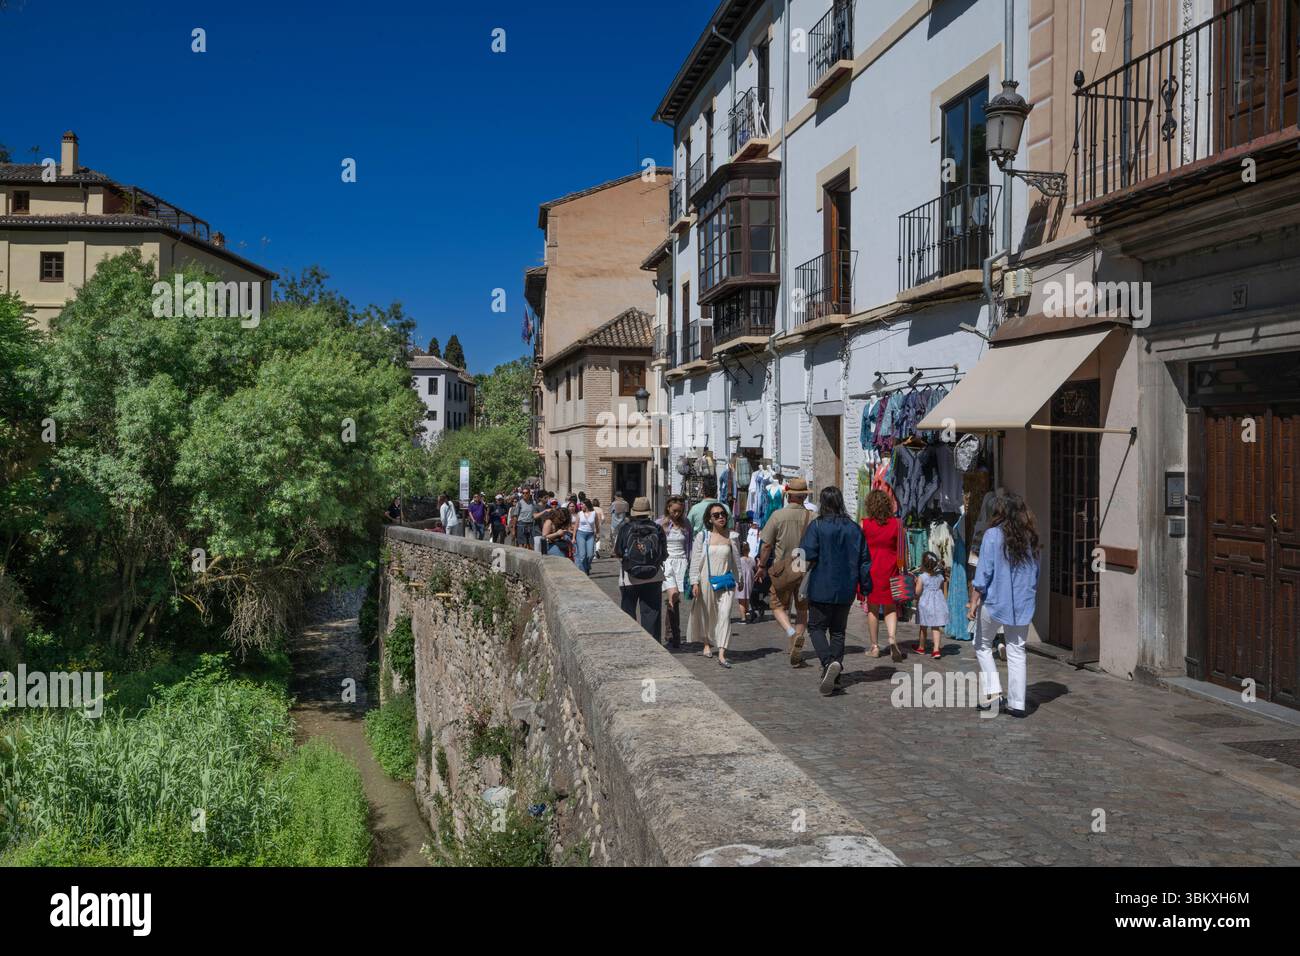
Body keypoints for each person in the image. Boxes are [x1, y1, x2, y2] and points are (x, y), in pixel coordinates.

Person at [969, 492, 1041, 718]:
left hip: (995, 602)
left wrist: (973, 600)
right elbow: (1036, 573)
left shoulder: (992, 536)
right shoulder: (1032, 538)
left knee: (981, 643)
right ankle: (1017, 704)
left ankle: (993, 694)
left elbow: (984, 572)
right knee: (1017, 650)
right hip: (1022, 602)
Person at [799, 486, 872, 695]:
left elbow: (806, 553)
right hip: (846, 587)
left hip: (821, 584)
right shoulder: (854, 528)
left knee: (816, 627)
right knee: (838, 631)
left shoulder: (817, 526)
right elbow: (864, 560)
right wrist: (866, 586)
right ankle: (836, 675)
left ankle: (828, 661)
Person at [756, 478, 812, 667]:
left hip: (782, 571)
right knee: (802, 609)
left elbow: (766, 545)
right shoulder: (812, 517)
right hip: (805, 569)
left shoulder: (777, 516)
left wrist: (762, 566)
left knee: (778, 606)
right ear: (805, 496)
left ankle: (791, 634)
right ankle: (798, 640)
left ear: (788, 495)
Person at [687, 502, 742, 668]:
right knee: (708, 613)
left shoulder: (732, 537)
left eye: (723, 514)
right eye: (716, 515)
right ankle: (706, 643)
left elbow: (736, 560)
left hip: (726, 582)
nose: (721, 517)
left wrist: (740, 580)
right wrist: (694, 582)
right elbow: (696, 561)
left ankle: (722, 653)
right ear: (709, 519)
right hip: (706, 580)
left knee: (725, 615)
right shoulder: (703, 537)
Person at [861, 489, 905, 662]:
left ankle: (874, 646)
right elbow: (902, 550)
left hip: (871, 569)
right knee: (890, 607)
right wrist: (903, 569)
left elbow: (860, 549)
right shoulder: (897, 523)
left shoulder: (865, 524)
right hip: (891, 568)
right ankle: (892, 639)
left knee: (872, 607)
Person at [615, 496, 668, 641]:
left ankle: (631, 644)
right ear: (648, 512)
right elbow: (664, 553)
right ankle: (652, 646)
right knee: (651, 615)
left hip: (629, 578)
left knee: (628, 615)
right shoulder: (657, 528)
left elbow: (618, 551)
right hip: (654, 576)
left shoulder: (626, 528)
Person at [659, 496, 693, 648]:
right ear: (668, 509)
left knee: (675, 598)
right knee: (672, 595)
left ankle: (670, 633)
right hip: (666, 562)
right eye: (674, 511)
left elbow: (690, 546)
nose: (677, 514)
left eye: (680, 511)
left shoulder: (686, 524)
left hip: (682, 562)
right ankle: (675, 635)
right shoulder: (660, 523)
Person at [915, 551, 948, 659]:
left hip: (925, 605)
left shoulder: (922, 577)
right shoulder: (940, 577)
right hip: (938, 604)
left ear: (923, 564)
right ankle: (936, 650)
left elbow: (918, 592)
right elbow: (942, 591)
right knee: (935, 627)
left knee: (923, 626)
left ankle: (921, 647)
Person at [574, 499, 600, 574]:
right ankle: (584, 571)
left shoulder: (594, 513)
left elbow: (597, 525)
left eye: (582, 504)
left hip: (590, 535)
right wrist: (573, 537)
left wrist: (598, 534)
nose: (581, 506)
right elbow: (576, 526)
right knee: (582, 555)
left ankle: (587, 566)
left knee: (590, 555)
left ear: (587, 505)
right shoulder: (579, 513)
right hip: (580, 534)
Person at [737, 540, 755, 623]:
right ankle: (747, 614)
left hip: (741, 582)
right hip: (750, 583)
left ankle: (743, 618)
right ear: (749, 550)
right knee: (747, 599)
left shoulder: (739, 560)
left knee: (741, 601)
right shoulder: (752, 560)